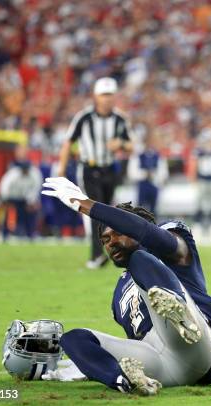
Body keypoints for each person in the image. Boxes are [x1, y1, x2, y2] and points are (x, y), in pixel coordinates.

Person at [40, 177, 211, 396]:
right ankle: (123, 381)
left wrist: (85, 204)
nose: (112, 242)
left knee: (140, 259)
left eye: (118, 232)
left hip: (190, 342)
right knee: (73, 338)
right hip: (157, 361)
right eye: (106, 240)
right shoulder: (119, 294)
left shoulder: (166, 247)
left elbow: (148, 234)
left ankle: (181, 317)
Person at [56, 77, 134, 269]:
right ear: (96, 96)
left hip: (109, 169)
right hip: (89, 170)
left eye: (110, 95)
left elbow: (131, 145)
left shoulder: (120, 119)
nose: (107, 99)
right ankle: (96, 255)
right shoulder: (84, 118)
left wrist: (121, 144)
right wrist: (61, 169)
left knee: (107, 214)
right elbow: (68, 142)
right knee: (95, 212)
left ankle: (105, 253)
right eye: (103, 95)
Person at [0, 159, 43, 240]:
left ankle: (30, 235)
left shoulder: (35, 174)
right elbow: (4, 185)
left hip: (25, 198)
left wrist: (31, 201)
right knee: (9, 216)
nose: (25, 171)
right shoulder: (13, 174)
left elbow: (35, 188)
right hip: (12, 197)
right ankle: (5, 235)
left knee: (29, 216)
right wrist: (5, 199)